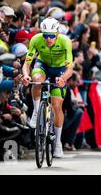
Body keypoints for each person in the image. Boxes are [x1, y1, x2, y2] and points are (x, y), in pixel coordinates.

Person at [21, 17, 74, 158]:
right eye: (45, 35)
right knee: (37, 80)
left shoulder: (65, 41)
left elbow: (70, 68)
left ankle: (57, 143)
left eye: (51, 36)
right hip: (43, 65)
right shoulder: (36, 40)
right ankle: (37, 111)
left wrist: (63, 79)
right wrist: (26, 75)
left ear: (57, 33)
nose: (48, 39)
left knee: (57, 106)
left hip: (60, 69)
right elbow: (27, 63)